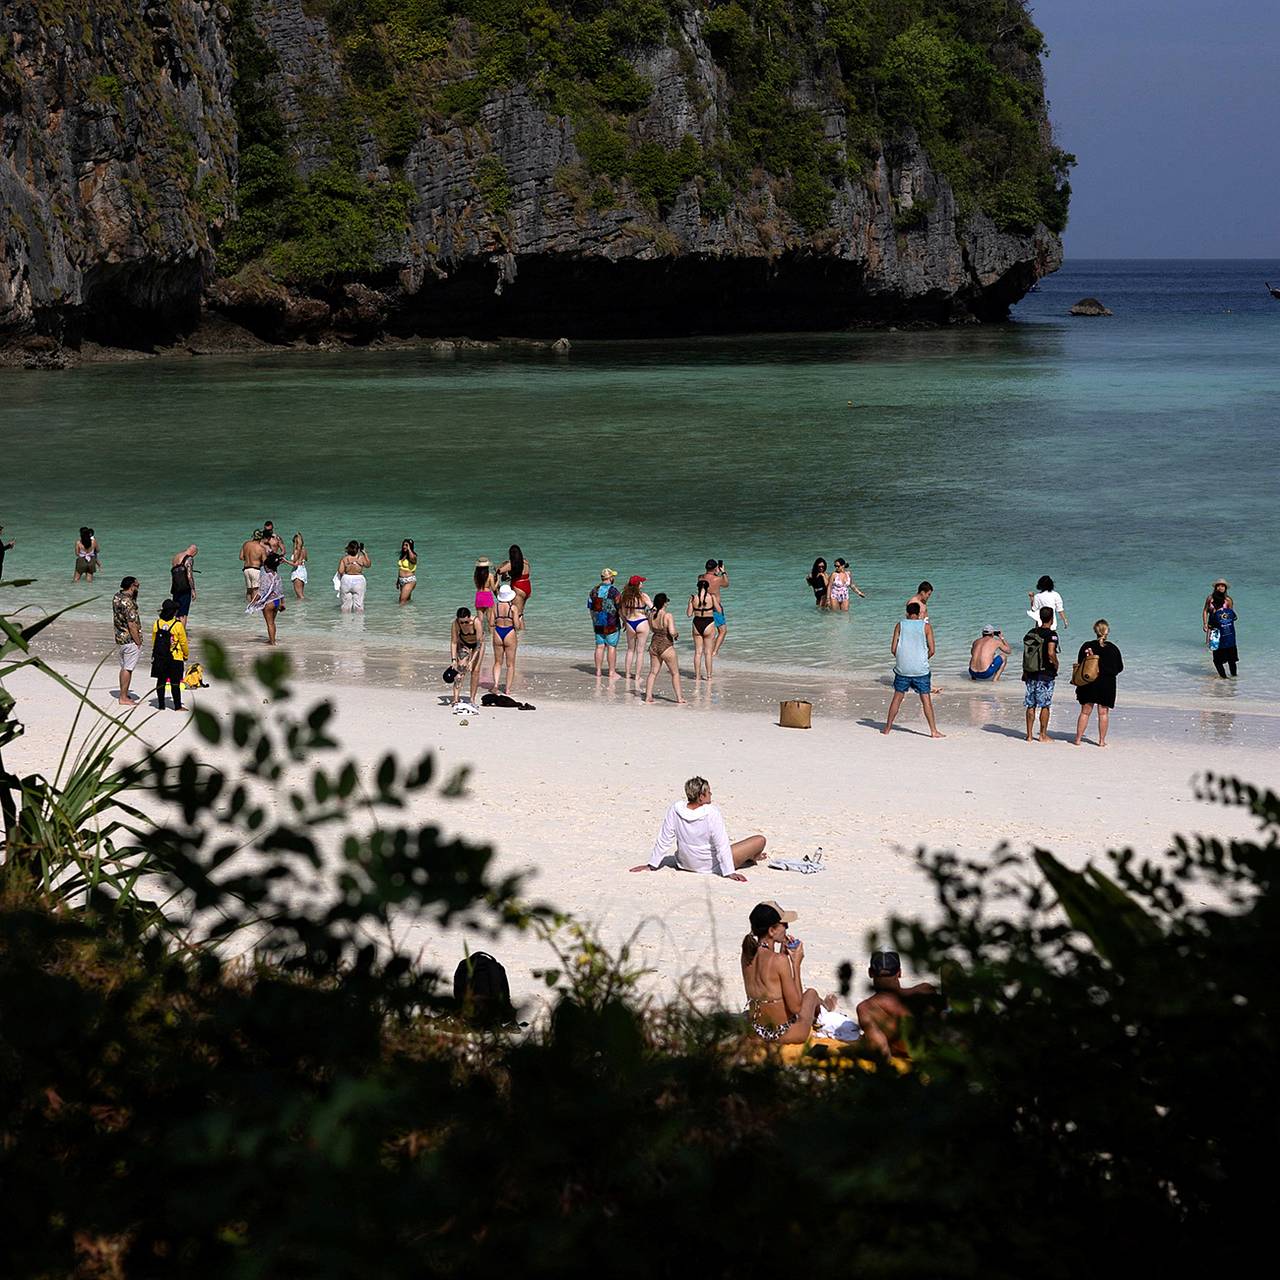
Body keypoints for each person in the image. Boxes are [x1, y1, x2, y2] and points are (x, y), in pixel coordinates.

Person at [630, 776, 765, 878]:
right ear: (701, 796)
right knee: (760, 840)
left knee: (735, 848)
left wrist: (652, 865)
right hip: (710, 866)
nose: (711, 794)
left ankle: (752, 857)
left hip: (684, 864)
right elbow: (721, 844)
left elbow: (664, 839)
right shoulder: (712, 812)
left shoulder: (676, 808)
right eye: (709, 792)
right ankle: (752, 857)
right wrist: (729, 872)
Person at [855, 950, 937, 1059]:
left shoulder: (866, 1009)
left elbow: (882, 1053)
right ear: (899, 973)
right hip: (937, 1054)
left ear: (870, 973)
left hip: (909, 1054)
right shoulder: (925, 990)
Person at [882, 602, 944, 737]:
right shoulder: (926, 626)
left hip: (902, 669)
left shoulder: (900, 625)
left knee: (897, 698)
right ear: (920, 613)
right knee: (926, 700)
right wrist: (922, 659)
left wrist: (904, 660)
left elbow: (893, 649)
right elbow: (932, 650)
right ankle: (933, 731)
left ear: (907, 613)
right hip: (920, 669)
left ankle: (887, 728)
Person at [1074, 619, 1124, 747]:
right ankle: (1101, 741)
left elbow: (1080, 663)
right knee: (1103, 713)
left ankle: (1078, 739)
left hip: (1089, 682)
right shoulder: (1113, 648)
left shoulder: (1086, 645)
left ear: (1095, 631)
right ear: (1107, 631)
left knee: (1085, 712)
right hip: (1107, 683)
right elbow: (1119, 668)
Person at [1022, 604, 1060, 742]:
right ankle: (1043, 735)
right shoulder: (1052, 635)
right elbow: (1051, 653)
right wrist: (1056, 664)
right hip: (1045, 674)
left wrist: (1024, 671)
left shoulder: (1031, 633)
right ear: (1051, 619)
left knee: (1030, 704)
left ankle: (1029, 735)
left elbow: (1026, 654)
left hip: (1031, 672)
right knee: (1045, 705)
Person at [644, 593, 686, 704]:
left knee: (653, 672)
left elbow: (652, 629)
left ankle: (648, 697)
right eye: (666, 601)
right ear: (664, 603)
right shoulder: (668, 616)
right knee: (675, 673)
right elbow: (672, 632)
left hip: (654, 645)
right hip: (666, 645)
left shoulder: (650, 615)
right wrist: (676, 634)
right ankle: (679, 698)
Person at [150, 599, 189, 711]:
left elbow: (154, 641)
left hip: (160, 657)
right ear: (173, 612)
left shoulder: (157, 623)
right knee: (175, 682)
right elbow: (183, 642)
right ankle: (177, 706)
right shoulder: (177, 625)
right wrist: (186, 655)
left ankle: (161, 705)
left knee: (161, 681)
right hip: (175, 657)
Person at [112, 576, 143, 706]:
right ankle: (123, 697)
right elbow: (131, 624)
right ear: (131, 586)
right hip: (129, 638)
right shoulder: (128, 603)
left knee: (124, 667)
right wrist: (138, 641)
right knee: (128, 669)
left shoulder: (117, 597)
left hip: (119, 636)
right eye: (137, 585)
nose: (138, 586)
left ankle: (123, 693)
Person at [588, 568, 622, 679]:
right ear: (611, 578)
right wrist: (624, 620)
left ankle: (598, 671)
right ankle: (612, 672)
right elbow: (619, 607)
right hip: (611, 623)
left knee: (599, 646)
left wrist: (594, 619)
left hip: (598, 622)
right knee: (611, 647)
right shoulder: (614, 591)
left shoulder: (594, 590)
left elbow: (590, 607)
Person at [618, 575, 652, 683]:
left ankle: (627, 674)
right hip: (642, 622)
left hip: (630, 623)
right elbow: (653, 608)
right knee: (640, 651)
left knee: (630, 650)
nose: (643, 583)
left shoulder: (625, 597)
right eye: (641, 582)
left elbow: (621, 612)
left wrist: (624, 621)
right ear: (638, 585)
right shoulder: (643, 596)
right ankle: (637, 676)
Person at [247, 551, 286, 645]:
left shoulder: (265, 576)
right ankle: (272, 639)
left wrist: (252, 602)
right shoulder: (277, 575)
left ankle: (272, 642)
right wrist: (282, 603)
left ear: (267, 566)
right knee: (273, 622)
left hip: (269, 603)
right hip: (277, 601)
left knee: (269, 623)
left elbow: (261, 592)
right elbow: (280, 591)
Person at [491, 582, 523, 694]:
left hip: (498, 632)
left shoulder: (495, 607)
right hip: (509, 632)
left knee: (497, 662)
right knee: (510, 664)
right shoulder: (513, 608)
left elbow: (491, 623)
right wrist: (520, 618)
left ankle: (495, 685)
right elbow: (517, 626)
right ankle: (507, 689)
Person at [449, 606, 484, 707]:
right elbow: (454, 642)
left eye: (466, 622)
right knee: (460, 670)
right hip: (464, 644)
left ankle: (472, 699)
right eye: (461, 622)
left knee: (475, 671)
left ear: (469, 618)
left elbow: (479, 644)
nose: (463, 624)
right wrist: (454, 659)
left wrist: (472, 661)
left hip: (477, 646)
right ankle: (455, 699)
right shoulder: (455, 624)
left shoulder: (476, 622)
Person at [687, 576, 718, 680]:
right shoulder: (711, 597)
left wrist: (689, 603)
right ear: (708, 588)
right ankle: (709, 676)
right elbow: (719, 610)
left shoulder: (693, 598)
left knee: (698, 652)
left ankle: (697, 676)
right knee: (708, 653)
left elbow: (689, 614)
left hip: (696, 623)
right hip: (708, 623)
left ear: (698, 588)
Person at [1207, 590, 1239, 678]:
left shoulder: (1214, 615)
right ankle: (1234, 677)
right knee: (1232, 660)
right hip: (1232, 641)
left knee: (1217, 661)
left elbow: (1211, 627)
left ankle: (1224, 678)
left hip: (1221, 643)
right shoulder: (1230, 612)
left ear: (1214, 604)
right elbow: (1235, 618)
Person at [703, 558, 730, 655]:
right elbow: (726, 584)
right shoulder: (718, 579)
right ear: (715, 568)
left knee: (709, 630)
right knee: (722, 631)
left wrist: (715, 572)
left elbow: (709, 582)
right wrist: (723, 572)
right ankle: (714, 652)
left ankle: (708, 649)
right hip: (715, 607)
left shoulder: (700, 578)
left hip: (704, 607)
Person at [337, 540, 371, 612]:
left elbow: (340, 571)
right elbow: (368, 565)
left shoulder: (344, 559)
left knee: (345, 605)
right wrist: (365, 553)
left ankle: (345, 621)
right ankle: (359, 622)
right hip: (359, 580)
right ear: (358, 549)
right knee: (359, 604)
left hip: (347, 579)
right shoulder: (361, 558)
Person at [498, 545, 532, 613]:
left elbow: (498, 571)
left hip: (518, 587)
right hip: (527, 586)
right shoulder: (526, 562)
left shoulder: (511, 564)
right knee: (520, 613)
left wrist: (502, 565)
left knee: (517, 614)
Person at [169, 545, 197, 623]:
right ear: (193, 552)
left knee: (176, 611)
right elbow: (189, 575)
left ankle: (175, 631)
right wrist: (193, 590)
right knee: (183, 613)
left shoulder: (176, 557)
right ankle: (182, 633)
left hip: (175, 587)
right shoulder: (189, 558)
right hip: (184, 588)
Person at [240, 530, 267, 602]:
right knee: (255, 589)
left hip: (246, 569)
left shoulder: (246, 544)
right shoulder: (261, 548)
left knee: (249, 590)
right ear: (261, 538)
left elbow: (241, 557)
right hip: (255, 569)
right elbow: (265, 562)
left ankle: (248, 607)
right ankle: (254, 608)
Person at [1202, 579, 1233, 644]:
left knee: (1223, 647)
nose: (1220, 588)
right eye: (1218, 586)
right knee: (1210, 646)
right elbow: (1205, 611)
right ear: (1215, 588)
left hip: (1223, 627)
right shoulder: (1210, 598)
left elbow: (1230, 615)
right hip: (1211, 626)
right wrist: (1205, 624)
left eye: (1222, 586)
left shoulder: (1228, 600)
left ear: (1225, 588)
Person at [396, 538, 418, 605]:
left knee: (402, 601)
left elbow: (413, 559)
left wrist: (409, 549)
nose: (404, 547)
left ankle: (401, 614)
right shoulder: (402, 556)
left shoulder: (413, 556)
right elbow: (400, 568)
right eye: (403, 545)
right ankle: (409, 612)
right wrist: (398, 581)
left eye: (406, 545)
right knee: (407, 600)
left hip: (409, 580)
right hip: (401, 580)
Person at [290, 532, 308, 600]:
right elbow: (306, 559)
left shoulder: (296, 551)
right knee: (300, 594)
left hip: (297, 571)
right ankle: (301, 609)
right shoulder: (304, 549)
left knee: (300, 595)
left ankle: (307, 604)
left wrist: (284, 560)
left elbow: (295, 564)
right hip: (303, 570)